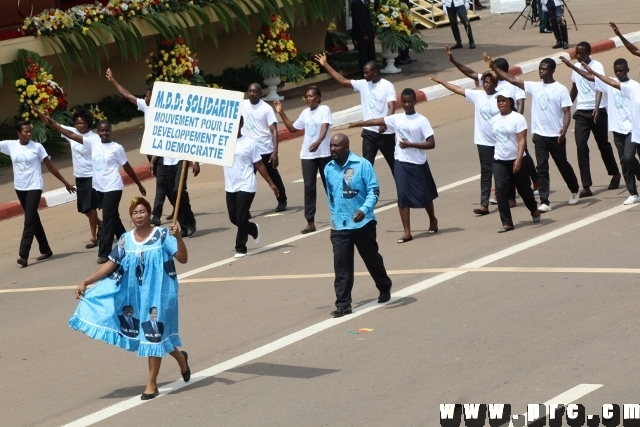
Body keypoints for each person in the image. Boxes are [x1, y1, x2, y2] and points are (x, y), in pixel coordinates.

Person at [71, 197, 190, 400]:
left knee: (153, 335)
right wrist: (87, 281)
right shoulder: (126, 239)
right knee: (153, 337)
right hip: (136, 296)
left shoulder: (162, 235)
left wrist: (178, 237)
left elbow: (183, 259)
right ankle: (181, 358)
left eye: (142, 211)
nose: (139, 216)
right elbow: (111, 264)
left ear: (149, 214)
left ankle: (151, 384)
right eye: (135, 212)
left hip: (160, 295)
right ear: (131, 217)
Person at [44, 116, 147, 264]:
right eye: (101, 131)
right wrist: (52, 123)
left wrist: (138, 183)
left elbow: (127, 167)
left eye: (106, 130)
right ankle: (130, 242)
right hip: (99, 187)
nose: (104, 133)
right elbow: (70, 134)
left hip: (113, 187)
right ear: (97, 132)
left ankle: (104, 252)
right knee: (114, 217)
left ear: (110, 131)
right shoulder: (93, 142)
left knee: (108, 217)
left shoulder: (116, 148)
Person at [485, 53, 580, 211]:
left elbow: (566, 112)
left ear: (552, 70)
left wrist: (563, 130)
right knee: (542, 167)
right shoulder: (535, 86)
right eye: (539, 69)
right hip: (540, 136)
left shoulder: (560, 89)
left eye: (544, 69)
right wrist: (493, 67)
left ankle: (575, 189)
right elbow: (513, 79)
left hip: (556, 136)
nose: (541, 71)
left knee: (562, 164)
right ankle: (544, 201)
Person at [106, 69, 198, 231]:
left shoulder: (171, 112)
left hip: (178, 156)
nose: (145, 98)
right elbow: (127, 95)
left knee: (177, 190)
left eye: (148, 96)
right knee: (170, 190)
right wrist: (113, 81)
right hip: (160, 156)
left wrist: (195, 159)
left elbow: (187, 134)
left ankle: (186, 221)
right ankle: (183, 223)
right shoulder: (147, 107)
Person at [348, 88, 438, 243]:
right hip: (401, 162)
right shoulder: (397, 118)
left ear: (415, 101)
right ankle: (407, 232)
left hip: (418, 163)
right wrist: (359, 123)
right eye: (404, 102)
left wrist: (411, 144)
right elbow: (378, 121)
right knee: (402, 196)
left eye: (410, 101)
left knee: (425, 196)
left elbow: (431, 144)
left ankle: (432, 219)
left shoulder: (422, 120)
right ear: (401, 102)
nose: (407, 104)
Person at [324, 133, 393, 318]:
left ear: (346, 147)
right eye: (331, 146)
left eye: (336, 146)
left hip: (363, 223)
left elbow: (374, 190)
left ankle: (384, 286)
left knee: (371, 258)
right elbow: (330, 195)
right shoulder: (328, 168)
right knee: (342, 266)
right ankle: (343, 303)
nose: (332, 149)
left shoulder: (362, 165)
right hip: (339, 226)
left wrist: (364, 209)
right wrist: (335, 215)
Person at [562, 57, 640, 205]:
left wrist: (594, 73)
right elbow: (590, 77)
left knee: (630, 157)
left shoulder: (634, 86)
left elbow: (607, 81)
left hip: (632, 128)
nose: (619, 73)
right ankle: (633, 193)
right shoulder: (609, 82)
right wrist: (573, 66)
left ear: (627, 70)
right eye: (616, 71)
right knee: (624, 161)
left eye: (621, 71)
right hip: (617, 129)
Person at [1, 121, 75, 267]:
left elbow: (50, 167)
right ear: (18, 133)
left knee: (29, 219)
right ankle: (46, 249)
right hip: (20, 187)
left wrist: (65, 183)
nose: (29, 134)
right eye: (25, 132)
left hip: (34, 186)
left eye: (30, 131)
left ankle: (23, 254)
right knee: (33, 217)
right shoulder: (10, 145)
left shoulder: (37, 147)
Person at [315, 53, 397, 178]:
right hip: (369, 133)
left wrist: (385, 122)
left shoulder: (387, 86)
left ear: (375, 72)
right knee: (366, 166)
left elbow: (392, 107)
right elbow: (342, 81)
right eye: (364, 73)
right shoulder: (363, 84)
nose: (364, 75)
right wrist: (325, 64)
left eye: (367, 73)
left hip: (386, 134)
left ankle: (405, 195)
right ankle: (367, 195)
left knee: (395, 166)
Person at [430, 71, 500, 216]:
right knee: (486, 172)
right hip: (483, 141)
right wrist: (441, 82)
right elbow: (458, 89)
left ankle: (509, 197)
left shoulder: (501, 98)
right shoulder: (478, 96)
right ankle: (484, 205)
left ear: (495, 84)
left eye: (488, 82)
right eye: (484, 82)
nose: (485, 85)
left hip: (500, 141)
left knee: (502, 172)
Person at [562, 42, 620, 198]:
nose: (578, 56)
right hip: (581, 112)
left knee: (603, 144)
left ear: (588, 53)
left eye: (581, 53)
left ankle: (615, 173)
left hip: (598, 111)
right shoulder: (575, 68)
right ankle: (586, 186)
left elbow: (598, 84)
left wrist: (596, 106)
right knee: (581, 146)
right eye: (576, 53)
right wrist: (565, 108)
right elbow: (574, 89)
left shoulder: (597, 65)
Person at [273, 87, 332, 234]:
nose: (308, 99)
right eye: (306, 97)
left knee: (330, 186)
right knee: (309, 188)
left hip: (324, 153)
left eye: (311, 96)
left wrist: (318, 142)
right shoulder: (305, 113)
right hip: (308, 156)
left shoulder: (325, 110)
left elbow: (324, 128)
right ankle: (310, 222)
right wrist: (281, 112)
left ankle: (338, 215)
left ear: (318, 97)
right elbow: (293, 128)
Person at [225, 118, 280, 259]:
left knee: (241, 215)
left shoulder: (249, 143)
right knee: (234, 218)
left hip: (246, 183)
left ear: (241, 125)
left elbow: (259, 164)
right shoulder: (223, 141)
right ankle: (253, 228)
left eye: (237, 124)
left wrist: (271, 183)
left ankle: (241, 247)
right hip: (231, 185)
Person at [491, 90, 542, 232]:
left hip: (518, 159)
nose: (500, 103)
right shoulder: (494, 119)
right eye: (498, 101)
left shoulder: (517, 118)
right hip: (499, 160)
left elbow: (522, 140)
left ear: (510, 102)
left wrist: (519, 159)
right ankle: (507, 223)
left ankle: (533, 209)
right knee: (501, 191)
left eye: (503, 100)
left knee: (524, 190)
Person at [57, 108, 103, 248]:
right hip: (79, 176)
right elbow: (53, 124)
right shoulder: (72, 133)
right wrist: (40, 113)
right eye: (77, 122)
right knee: (85, 209)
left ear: (88, 123)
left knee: (90, 207)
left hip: (91, 176)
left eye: (81, 123)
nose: (79, 125)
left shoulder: (94, 137)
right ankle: (101, 225)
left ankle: (93, 237)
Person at [241, 83, 287, 212]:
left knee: (273, 176)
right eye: (250, 91)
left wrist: (275, 151)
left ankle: (282, 200)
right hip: (248, 150)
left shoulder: (266, 109)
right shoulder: (243, 105)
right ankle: (245, 208)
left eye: (255, 92)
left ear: (260, 93)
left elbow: (273, 130)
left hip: (264, 149)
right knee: (247, 180)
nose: (252, 93)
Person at [351, 0, 376, 73]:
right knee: (363, 56)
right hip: (361, 35)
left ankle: (372, 71)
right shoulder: (356, 3)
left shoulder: (364, 2)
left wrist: (372, 31)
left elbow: (367, 19)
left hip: (369, 33)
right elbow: (357, 20)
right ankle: (364, 74)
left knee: (371, 54)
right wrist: (363, 34)